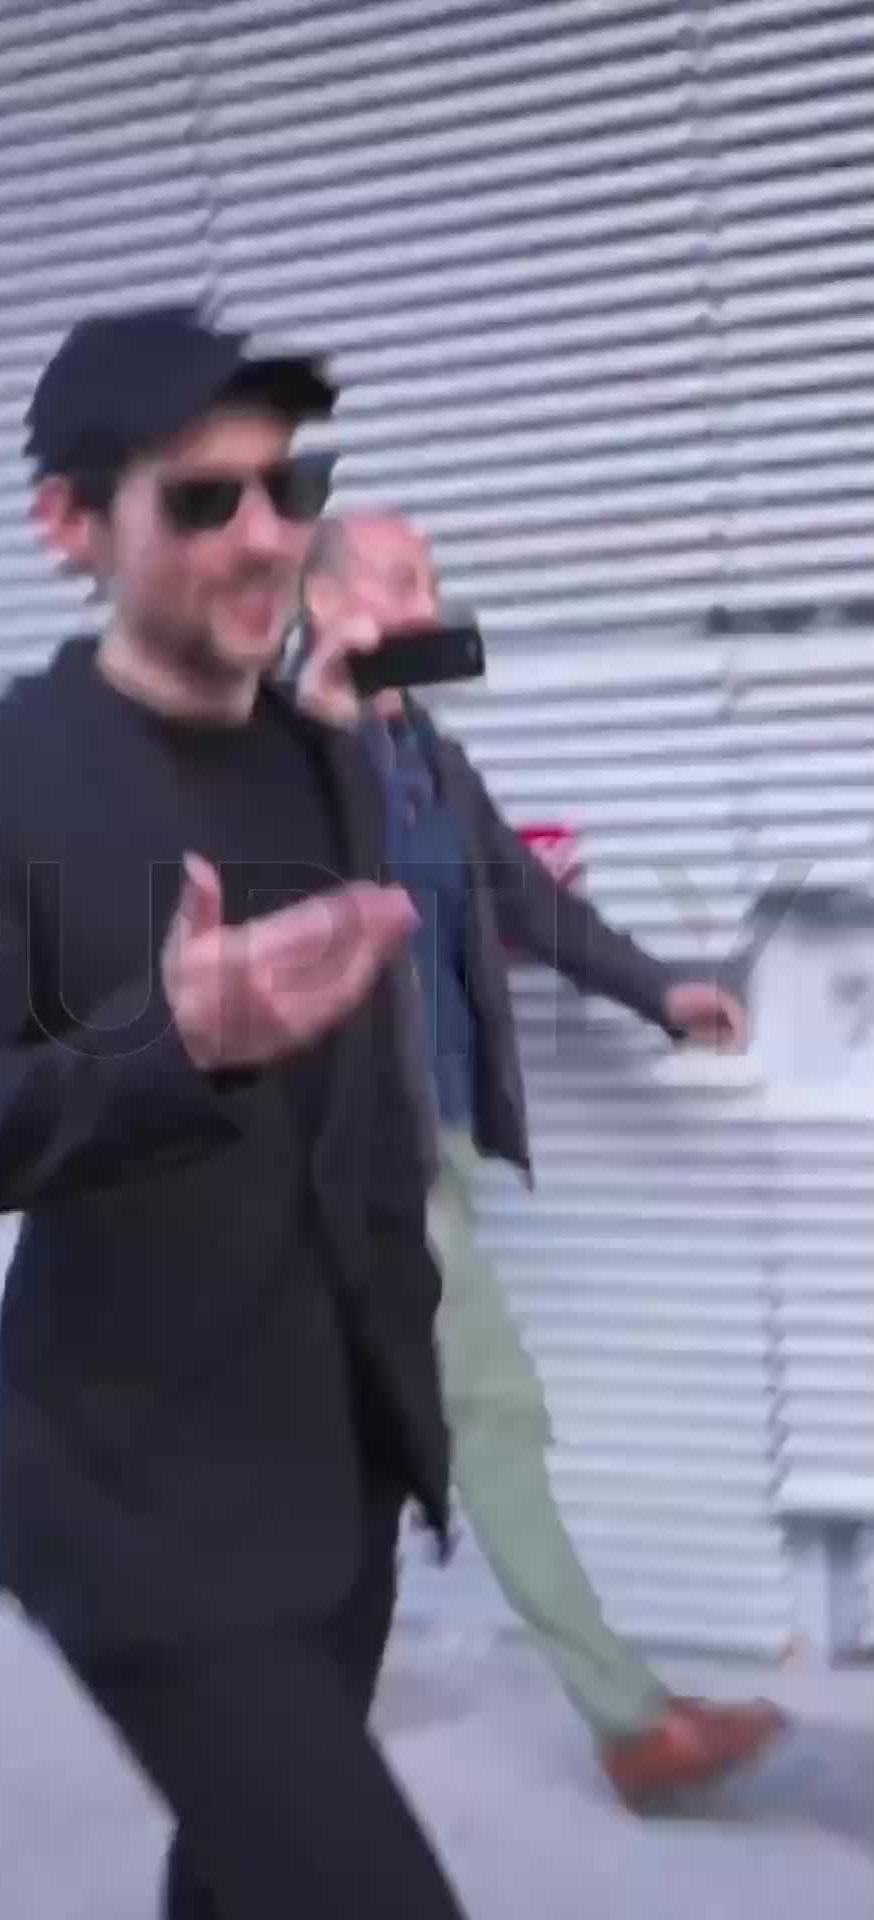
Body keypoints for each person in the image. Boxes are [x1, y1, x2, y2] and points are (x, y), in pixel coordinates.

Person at [0, 309, 472, 1920]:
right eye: (203, 500)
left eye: (289, 487)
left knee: (244, 1884)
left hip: (345, 1475)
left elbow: (354, 1114)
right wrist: (170, 1042)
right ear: (70, 525)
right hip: (144, 1511)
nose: (268, 534)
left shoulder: (329, 762)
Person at [296, 510, 787, 1811]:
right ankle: (630, 1724)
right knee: (491, 1413)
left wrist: (661, 990)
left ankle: (275, 1684)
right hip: (354, 1154)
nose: (430, 600)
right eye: (403, 580)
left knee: (363, 1419)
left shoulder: (433, 758)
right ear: (327, 602)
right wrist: (322, 724)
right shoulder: (274, 756)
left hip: (438, 1134)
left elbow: (524, 899)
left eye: (432, 579)